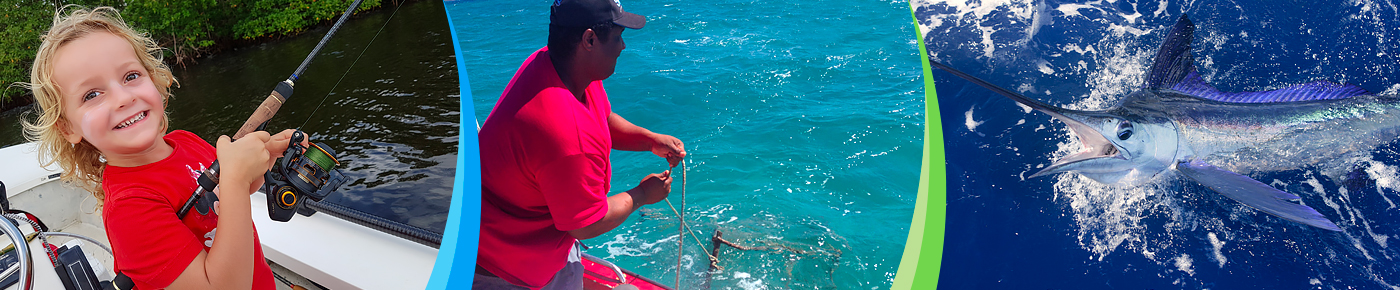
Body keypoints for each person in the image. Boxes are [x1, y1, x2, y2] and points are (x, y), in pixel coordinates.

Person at [21, 7, 303, 290]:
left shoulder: (185, 140)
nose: (123, 98)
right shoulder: (129, 209)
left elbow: (228, 195)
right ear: (68, 128)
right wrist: (236, 178)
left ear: (154, 79)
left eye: (131, 76)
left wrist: (267, 157)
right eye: (91, 94)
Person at [475, 0, 686, 289]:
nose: (623, 46)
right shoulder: (563, 133)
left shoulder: (553, 65)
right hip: (510, 269)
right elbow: (586, 224)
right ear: (589, 39)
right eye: (617, 36)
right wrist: (642, 194)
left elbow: (601, 115)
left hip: (515, 235)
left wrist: (649, 141)